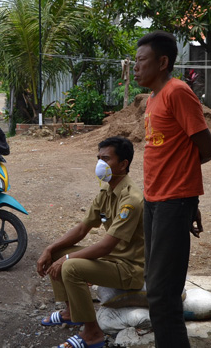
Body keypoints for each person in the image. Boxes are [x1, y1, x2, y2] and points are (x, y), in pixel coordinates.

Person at [133, 31, 211, 347]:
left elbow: (207, 148)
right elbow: (174, 153)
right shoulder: (153, 98)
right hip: (155, 201)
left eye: (142, 60)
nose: (136, 67)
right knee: (155, 286)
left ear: (162, 61)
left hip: (171, 202)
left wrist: (185, 197)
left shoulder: (177, 92)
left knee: (162, 293)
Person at [36, 136, 145, 348]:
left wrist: (67, 258)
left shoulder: (131, 199)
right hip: (111, 259)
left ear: (123, 164)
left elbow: (106, 245)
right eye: (99, 158)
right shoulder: (106, 191)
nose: (100, 164)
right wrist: (51, 249)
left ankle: (92, 333)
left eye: (106, 159)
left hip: (128, 268)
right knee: (57, 254)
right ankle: (70, 312)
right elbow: (82, 228)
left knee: (70, 266)